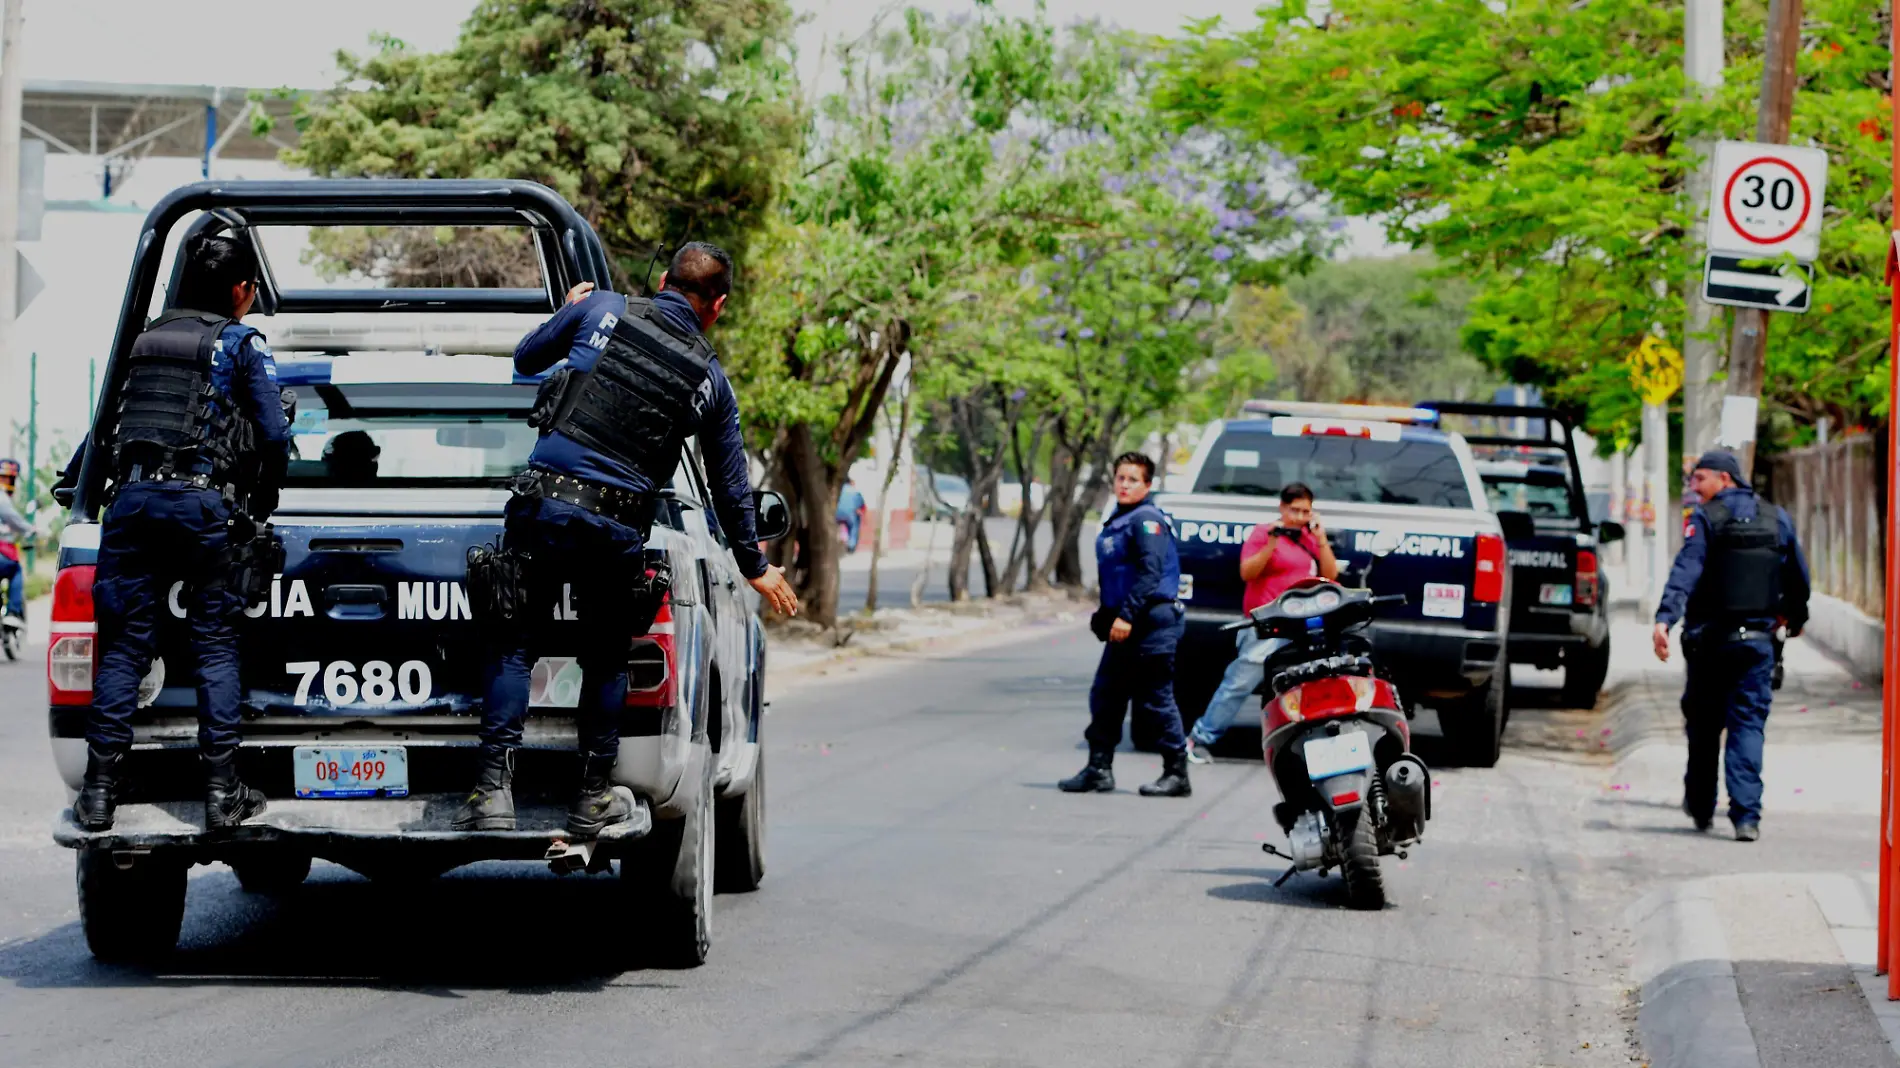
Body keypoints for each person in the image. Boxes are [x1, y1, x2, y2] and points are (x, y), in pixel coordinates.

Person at [456, 242, 800, 836]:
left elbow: (528, 356)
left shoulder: (600, 310)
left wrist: (569, 310)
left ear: (663, 280)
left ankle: (492, 794)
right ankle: (591, 796)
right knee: (607, 656)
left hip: (543, 504)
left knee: (513, 644)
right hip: (615, 526)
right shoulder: (710, 381)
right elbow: (730, 486)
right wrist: (754, 565)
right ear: (716, 306)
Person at [74, 234, 292, 831]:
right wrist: (264, 496)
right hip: (200, 505)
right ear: (239, 291)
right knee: (215, 645)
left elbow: (106, 427)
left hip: (134, 504)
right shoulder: (240, 342)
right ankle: (223, 796)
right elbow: (274, 435)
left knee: (123, 648)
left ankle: (97, 796)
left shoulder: (141, 340)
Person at [1653, 449, 1810, 842]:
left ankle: (1702, 808)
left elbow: (1687, 568)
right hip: (1756, 644)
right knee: (1747, 727)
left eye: (1700, 478)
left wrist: (1665, 618)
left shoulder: (1705, 519)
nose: (1694, 487)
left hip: (1709, 644)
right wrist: (1795, 617)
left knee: (1705, 727)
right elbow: (1798, 576)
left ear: (1725, 479)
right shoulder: (1777, 519)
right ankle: (1746, 817)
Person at [1059, 452, 1191, 798]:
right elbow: (1117, 577)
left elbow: (1149, 574)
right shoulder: (1120, 519)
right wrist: (1106, 615)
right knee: (1106, 695)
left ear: (1147, 485)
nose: (1125, 484)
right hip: (1125, 624)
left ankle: (1176, 773)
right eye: (1120, 478)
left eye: (1133, 479)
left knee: (1155, 700)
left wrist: (1126, 615)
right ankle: (1098, 769)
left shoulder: (1147, 520)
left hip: (1151, 623)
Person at [1186, 482, 1339, 764]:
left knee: (1305, 686)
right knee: (1239, 682)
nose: (1300, 516)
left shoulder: (1308, 537)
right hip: (1267, 625)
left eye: (1306, 511)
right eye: (1295, 510)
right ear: (1282, 507)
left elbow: (1330, 576)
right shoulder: (1262, 533)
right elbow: (1248, 572)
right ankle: (1201, 738)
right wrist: (1271, 542)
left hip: (1301, 626)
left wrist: (1320, 538)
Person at [0, 458, 33, 624]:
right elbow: (14, 520)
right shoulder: (2, 498)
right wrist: (30, 529)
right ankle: (13, 612)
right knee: (15, 570)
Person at [836, 477, 867, 553]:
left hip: (837, 514)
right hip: (850, 515)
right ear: (850, 483)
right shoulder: (854, 491)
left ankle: (841, 537)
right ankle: (851, 546)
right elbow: (861, 504)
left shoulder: (838, 490)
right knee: (854, 525)